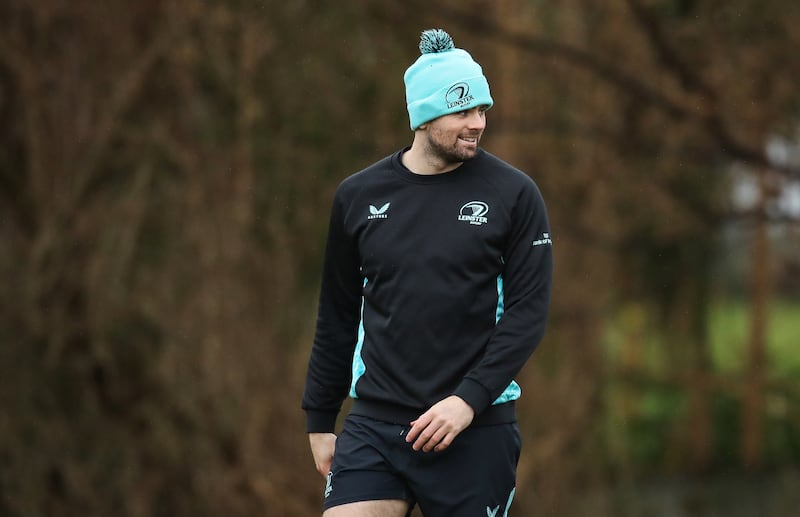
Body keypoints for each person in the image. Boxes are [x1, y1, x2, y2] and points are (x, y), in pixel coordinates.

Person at [302, 28, 553, 517]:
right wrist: (320, 420)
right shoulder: (357, 196)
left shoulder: (515, 195)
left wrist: (467, 401)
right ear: (424, 115)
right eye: (463, 111)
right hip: (375, 425)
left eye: (482, 110)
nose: (477, 123)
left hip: (475, 429)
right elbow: (336, 313)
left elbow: (527, 314)